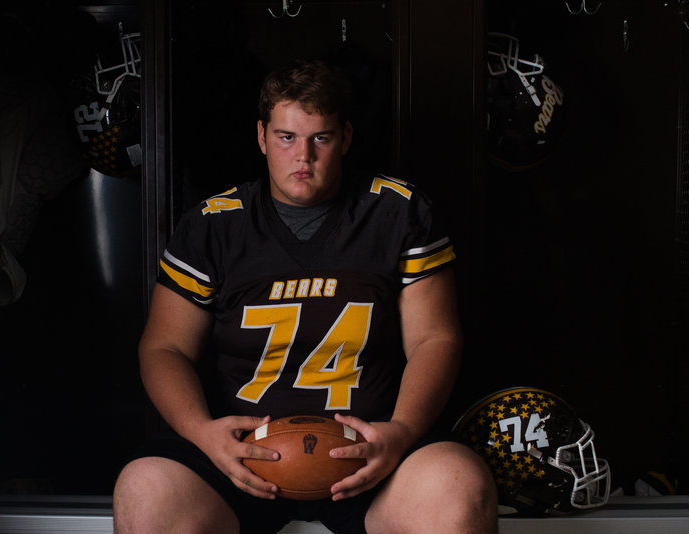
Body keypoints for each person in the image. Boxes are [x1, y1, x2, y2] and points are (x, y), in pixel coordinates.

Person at [113, 59, 497, 534]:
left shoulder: (396, 211)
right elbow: (163, 346)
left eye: (321, 138)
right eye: (286, 137)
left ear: (346, 138)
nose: (303, 157)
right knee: (143, 487)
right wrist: (202, 433)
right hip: (242, 457)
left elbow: (434, 338)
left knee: (460, 485)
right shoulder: (215, 225)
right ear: (261, 137)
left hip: (370, 450)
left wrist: (400, 432)